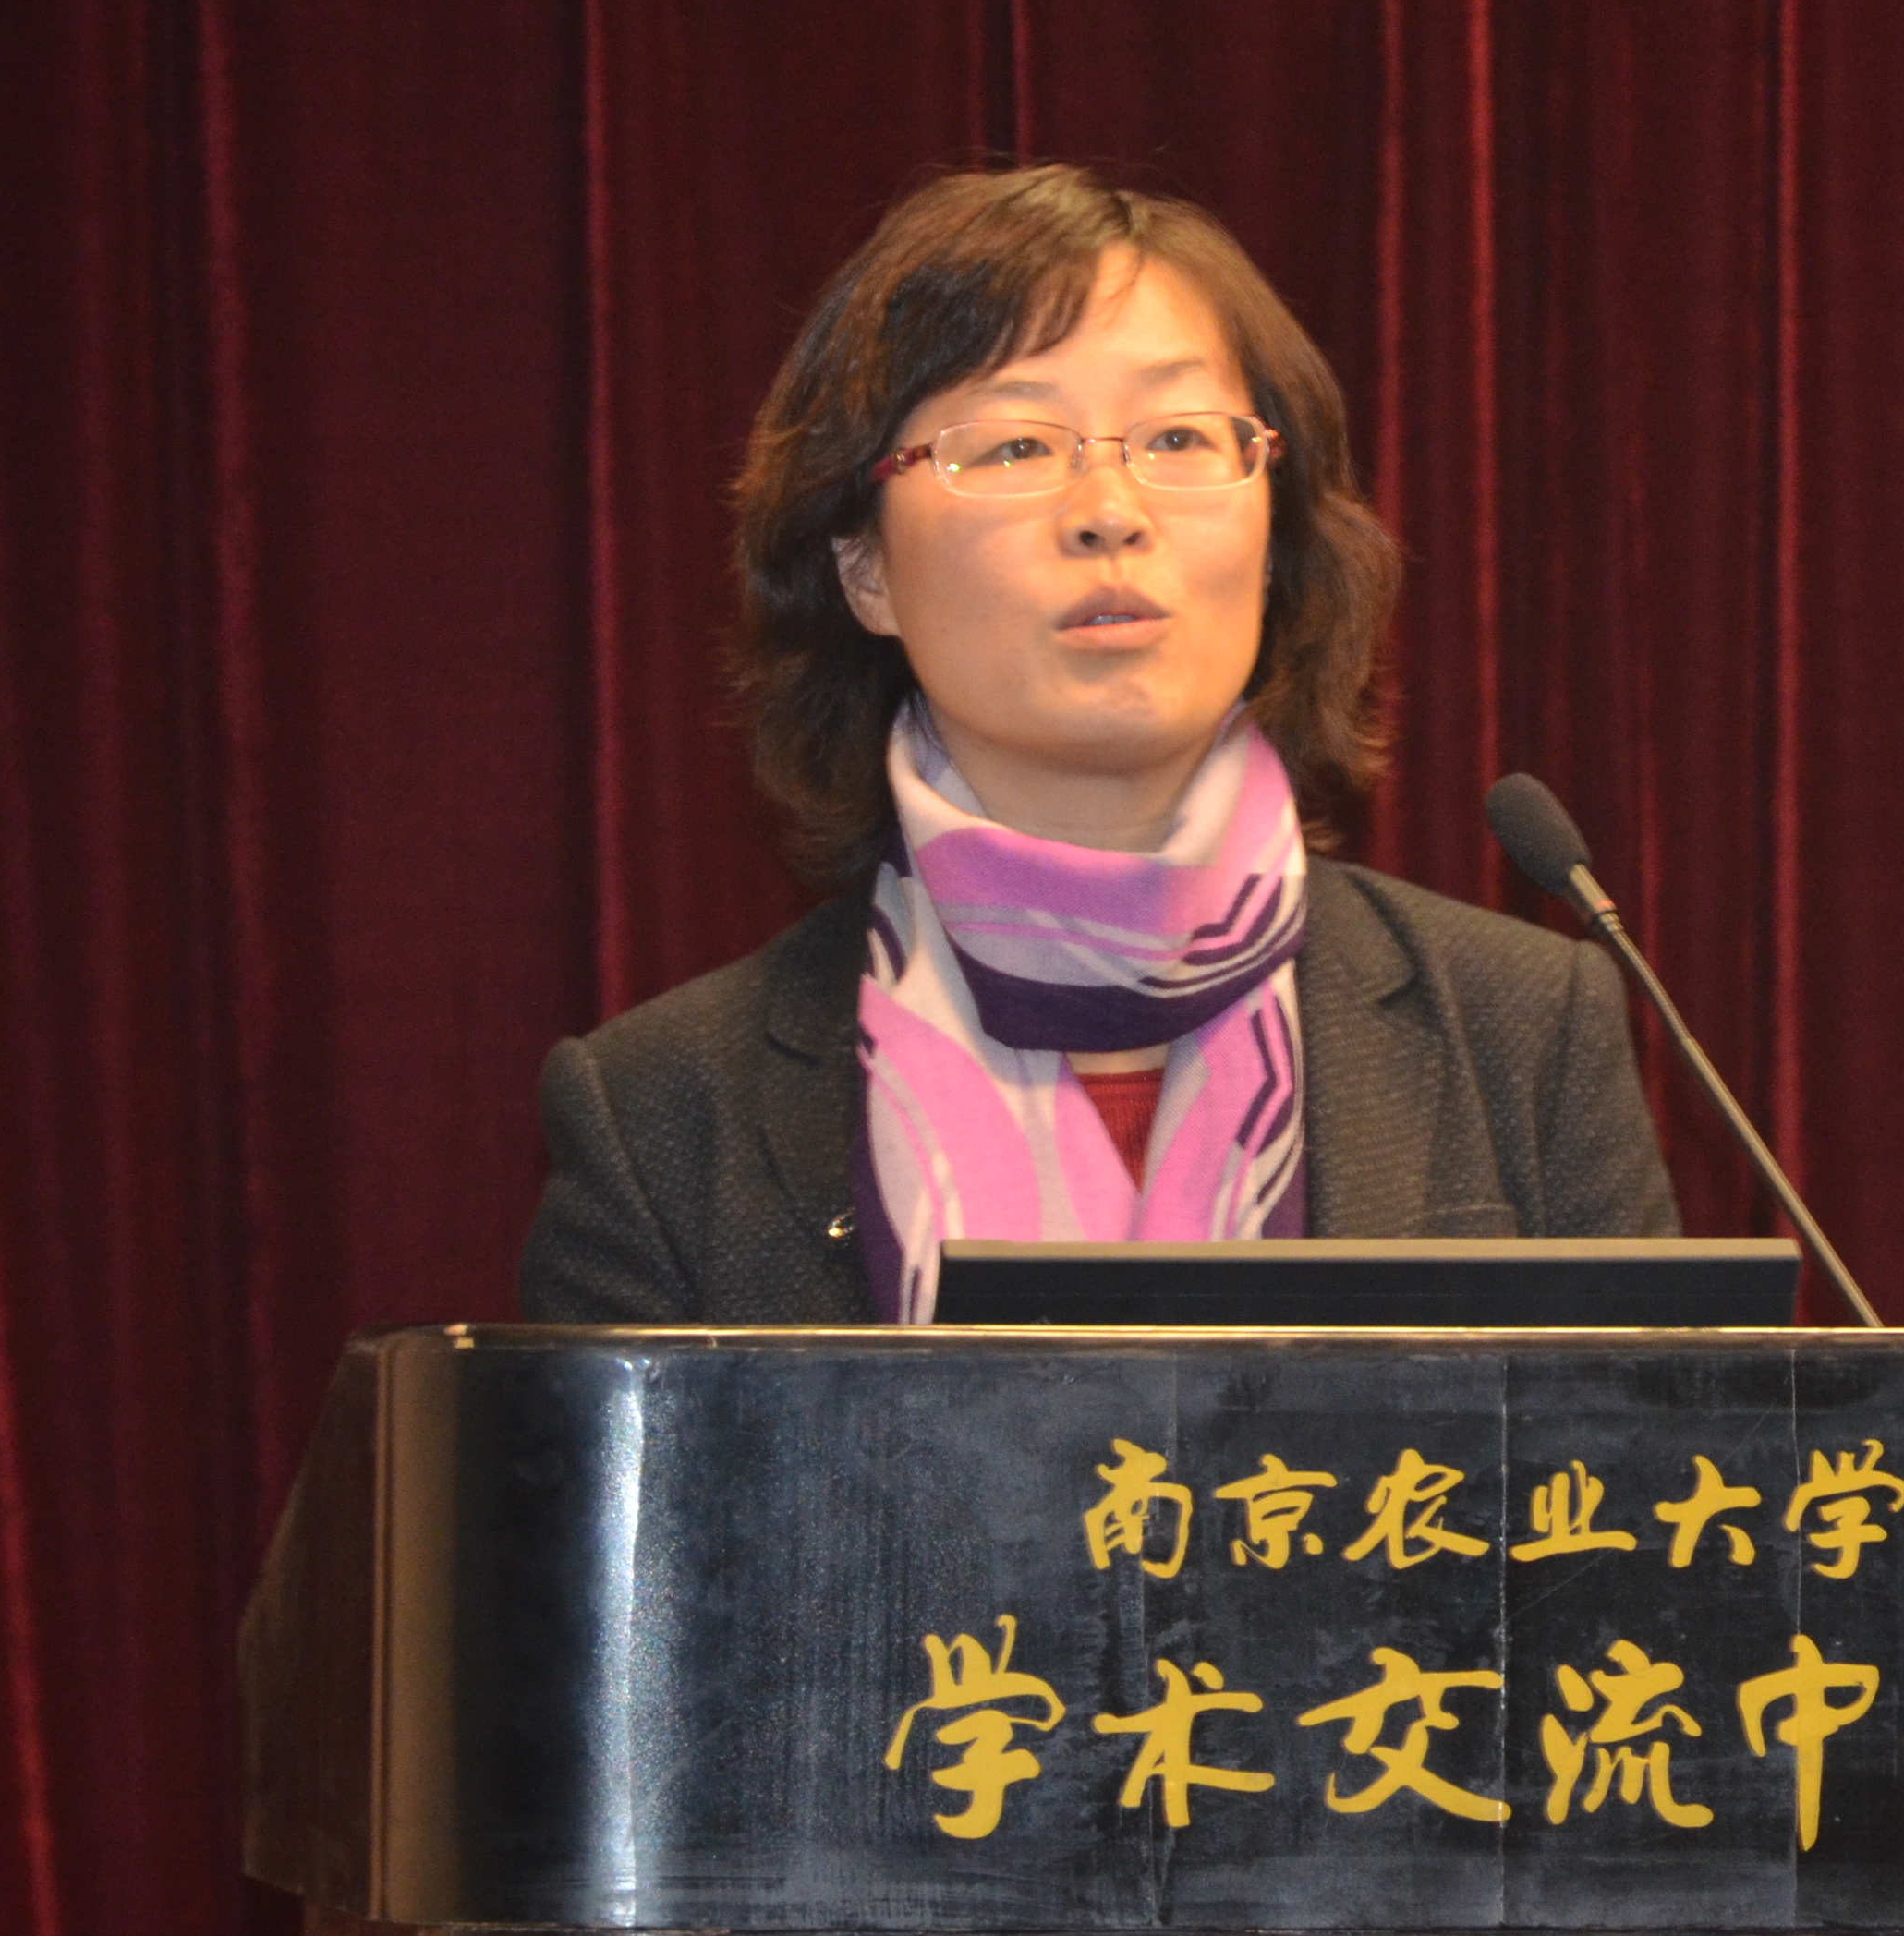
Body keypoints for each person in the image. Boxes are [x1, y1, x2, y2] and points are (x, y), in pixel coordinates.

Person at [519, 164, 1677, 1324]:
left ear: (1272, 536)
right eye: (1015, 447)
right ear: (864, 571)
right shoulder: (660, 1117)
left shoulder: (1523, 1031)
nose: (1111, 512)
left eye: (1177, 436)